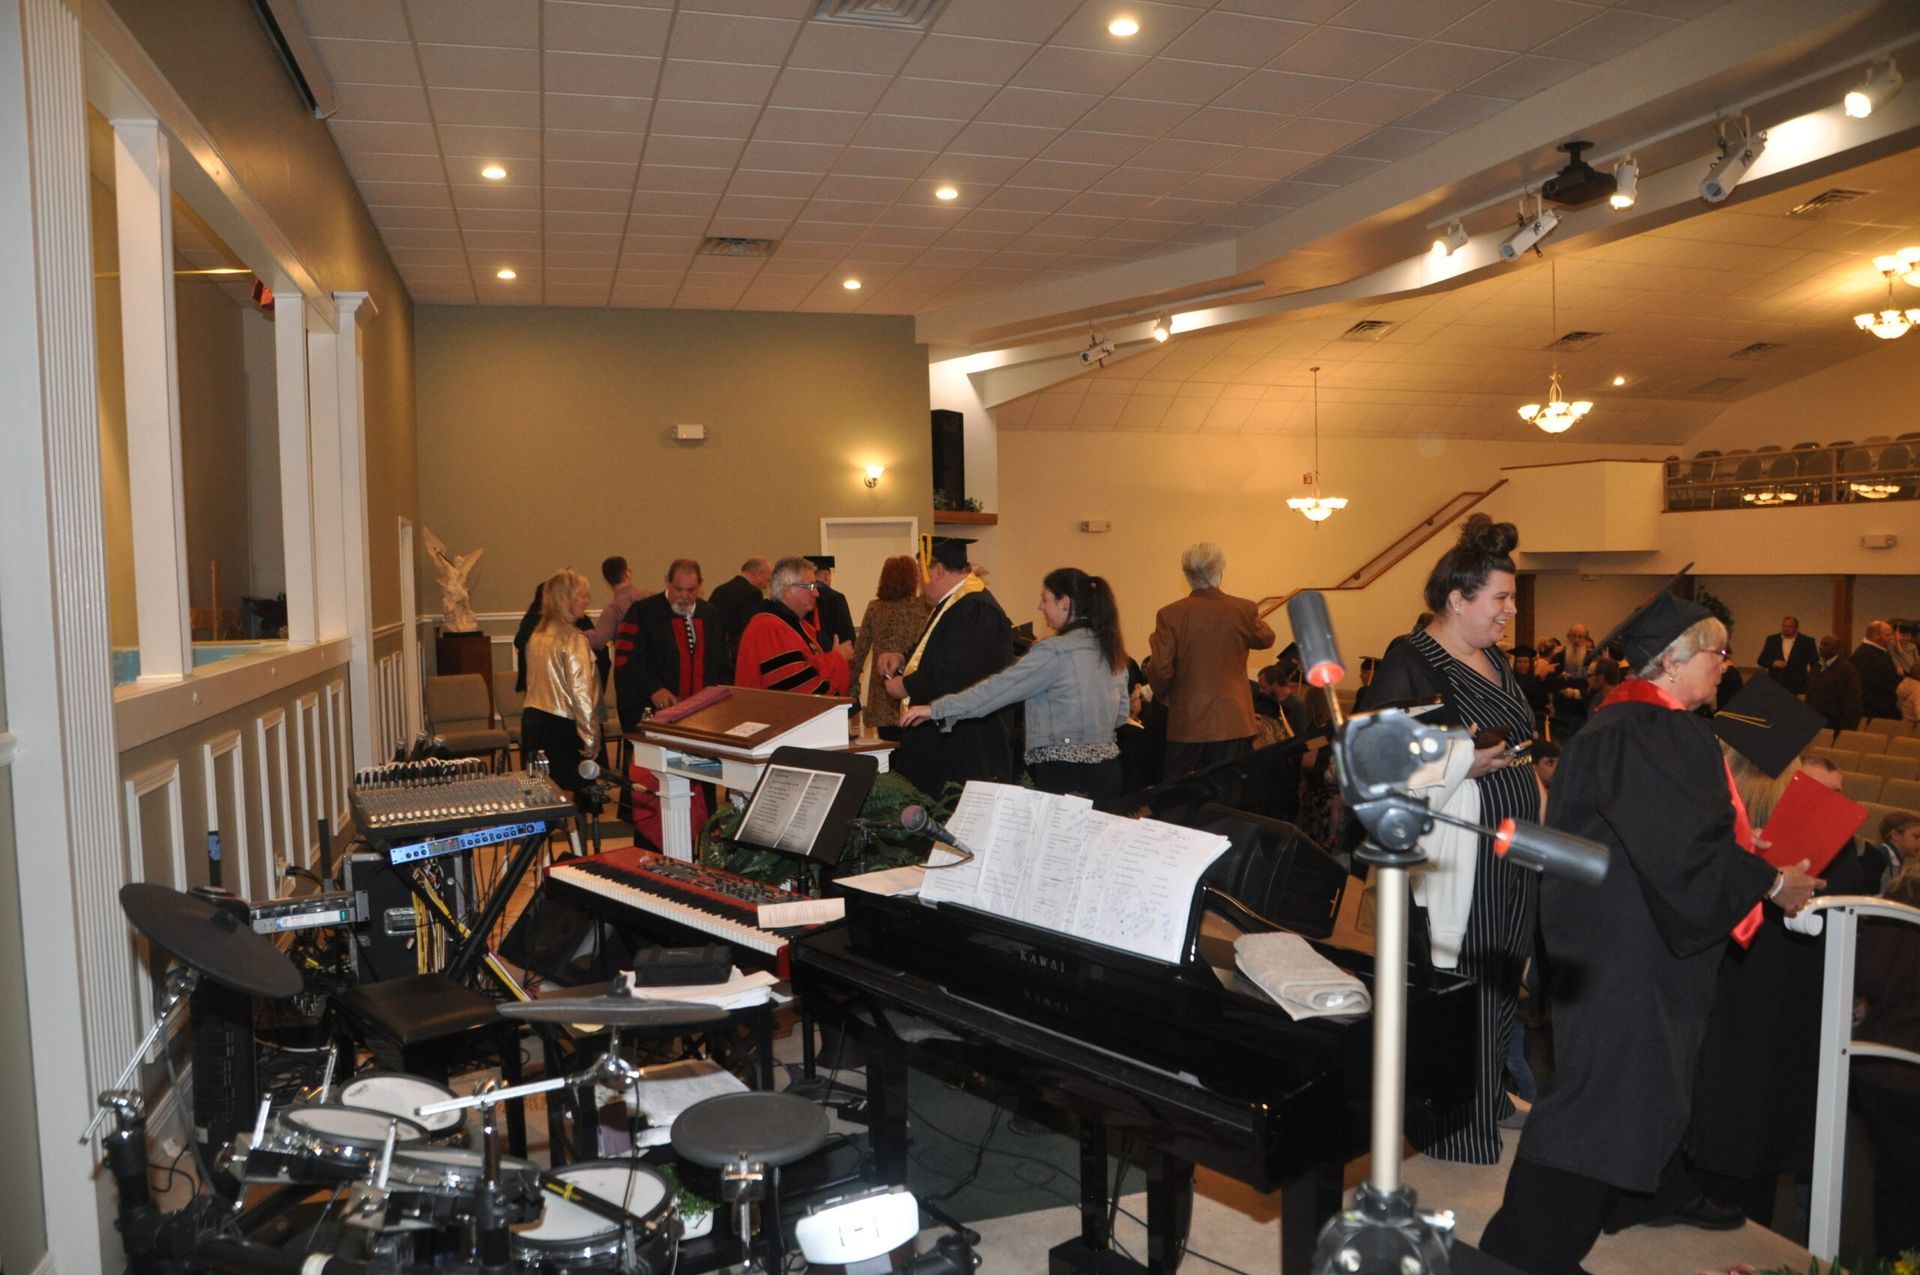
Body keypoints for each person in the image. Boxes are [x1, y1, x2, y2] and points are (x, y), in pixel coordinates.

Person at [1477, 591, 1822, 1275]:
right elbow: (1686, 852)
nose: (1726, 666)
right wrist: (1770, 882)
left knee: (1623, 1093)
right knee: (1602, 1105)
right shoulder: (1652, 732)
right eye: (1718, 652)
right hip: (1630, 953)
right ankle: (1520, 1254)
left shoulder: (1621, 723)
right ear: (1674, 660)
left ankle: (1593, 1220)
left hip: (1613, 939)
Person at [1367, 514, 1540, 1164]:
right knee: (1465, 978)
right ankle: (1456, 1125)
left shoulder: (1491, 655)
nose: (1509, 610)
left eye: (1510, 597)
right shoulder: (1410, 661)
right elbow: (1381, 767)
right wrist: (1465, 761)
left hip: (1512, 849)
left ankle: (1490, 1092)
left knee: (1503, 974)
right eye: (1499, 598)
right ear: (1457, 599)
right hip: (1459, 851)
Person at [1686, 677, 1876, 1228]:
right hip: (1778, 1010)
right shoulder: (1809, 831)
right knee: (1754, 1158)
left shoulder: (1712, 823)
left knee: (1718, 1129)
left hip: (1731, 998)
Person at [898, 568, 1129, 804]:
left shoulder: (1054, 651)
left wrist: (936, 709)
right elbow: (1121, 715)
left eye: (1045, 599)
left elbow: (997, 690)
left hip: (1064, 774)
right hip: (1108, 771)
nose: (1040, 607)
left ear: (1065, 603)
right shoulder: (1111, 651)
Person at [879, 536, 1018, 797]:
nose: (919, 585)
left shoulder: (975, 608)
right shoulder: (956, 605)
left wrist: (906, 685)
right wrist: (902, 661)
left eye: (921, 575)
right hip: (950, 740)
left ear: (938, 570)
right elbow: (938, 655)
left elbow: (958, 674)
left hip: (965, 744)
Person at [1146, 542, 1276, 781]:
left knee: (1181, 798)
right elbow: (1267, 638)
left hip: (1187, 721)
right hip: (1235, 720)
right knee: (1228, 798)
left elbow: (1160, 669)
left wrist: (1167, 697)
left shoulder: (1170, 614)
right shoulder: (1243, 608)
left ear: (1187, 576)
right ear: (1220, 572)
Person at [1852, 854, 1920, 1260]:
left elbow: (1870, 976)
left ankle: (1897, 1263)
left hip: (1884, 1064)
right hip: (1899, 1063)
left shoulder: (1898, 898)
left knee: (1896, 1182)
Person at [613, 558, 730, 731]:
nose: (684, 596)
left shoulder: (711, 615)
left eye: (691, 590)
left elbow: (723, 666)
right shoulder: (643, 612)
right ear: (667, 581)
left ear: (701, 585)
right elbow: (627, 661)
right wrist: (653, 689)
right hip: (658, 710)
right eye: (678, 589)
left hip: (703, 714)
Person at [520, 569, 603, 809]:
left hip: (534, 721)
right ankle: (577, 846)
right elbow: (581, 692)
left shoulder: (537, 634)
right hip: (562, 727)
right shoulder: (573, 638)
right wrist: (590, 738)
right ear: (566, 600)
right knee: (569, 802)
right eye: (583, 596)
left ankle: (543, 846)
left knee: (541, 798)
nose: (587, 601)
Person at [733, 556, 852, 696]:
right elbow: (797, 691)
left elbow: (808, 669)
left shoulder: (798, 625)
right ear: (788, 589)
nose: (816, 593)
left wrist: (835, 657)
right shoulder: (770, 629)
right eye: (810, 586)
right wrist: (838, 658)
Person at [851, 555, 931, 732]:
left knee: (887, 748)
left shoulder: (875, 608)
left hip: (883, 688)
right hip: (911, 686)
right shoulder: (923, 607)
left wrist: (852, 684)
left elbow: (860, 651)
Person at [587, 555, 651, 655]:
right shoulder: (650, 597)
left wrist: (575, 634)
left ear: (608, 580)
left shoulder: (613, 609)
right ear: (627, 574)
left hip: (631, 662)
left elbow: (599, 639)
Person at [709, 557, 772, 652]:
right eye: (767, 581)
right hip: (737, 652)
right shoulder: (753, 594)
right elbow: (750, 629)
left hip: (716, 649)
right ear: (759, 574)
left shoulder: (720, 589)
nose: (765, 586)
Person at [1807, 633, 1864, 732]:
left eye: (1827, 645)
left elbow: (1853, 701)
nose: (1822, 647)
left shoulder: (1846, 669)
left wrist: (1846, 728)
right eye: (1821, 644)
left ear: (1837, 649)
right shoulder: (1816, 667)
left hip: (1834, 722)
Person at [803, 555, 857, 652]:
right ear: (826, 576)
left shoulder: (803, 596)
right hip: (833, 653)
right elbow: (847, 634)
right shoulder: (836, 598)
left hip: (809, 652)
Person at [1756, 614, 1817, 694]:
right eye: (1784, 626)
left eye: (1789, 627)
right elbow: (1761, 660)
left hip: (1797, 685)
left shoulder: (1807, 642)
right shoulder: (1772, 640)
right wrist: (1774, 663)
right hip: (1776, 683)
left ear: (1796, 628)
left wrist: (1812, 681)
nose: (1786, 629)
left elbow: (1815, 663)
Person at [1855, 620, 1902, 721]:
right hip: (1876, 712)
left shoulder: (1878, 652)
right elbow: (1873, 685)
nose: (1892, 639)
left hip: (1882, 708)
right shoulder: (1865, 656)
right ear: (1876, 636)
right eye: (1888, 635)